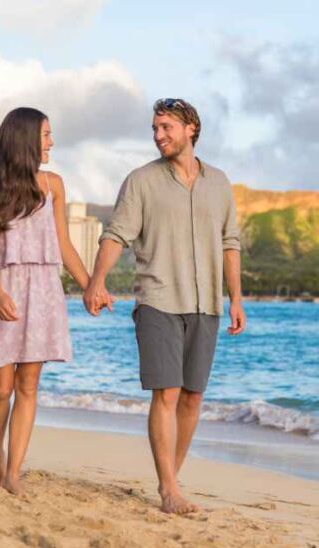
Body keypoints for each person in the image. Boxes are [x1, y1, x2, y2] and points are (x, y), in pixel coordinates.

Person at [83, 98, 245, 514]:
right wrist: (96, 281)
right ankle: (169, 490)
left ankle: (169, 478)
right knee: (167, 393)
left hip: (206, 302)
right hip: (158, 299)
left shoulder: (220, 182)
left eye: (166, 127)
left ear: (191, 128)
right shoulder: (140, 181)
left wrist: (236, 300)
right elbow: (116, 235)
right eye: (155, 128)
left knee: (192, 397)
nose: (158, 135)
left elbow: (230, 244)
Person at [0, 107, 91, 495]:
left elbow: (63, 244)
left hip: (43, 289)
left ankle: (13, 472)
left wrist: (91, 285)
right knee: (2, 387)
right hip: (3, 286)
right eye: (45, 135)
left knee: (28, 385)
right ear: (25, 139)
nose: (51, 142)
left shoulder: (54, 184)